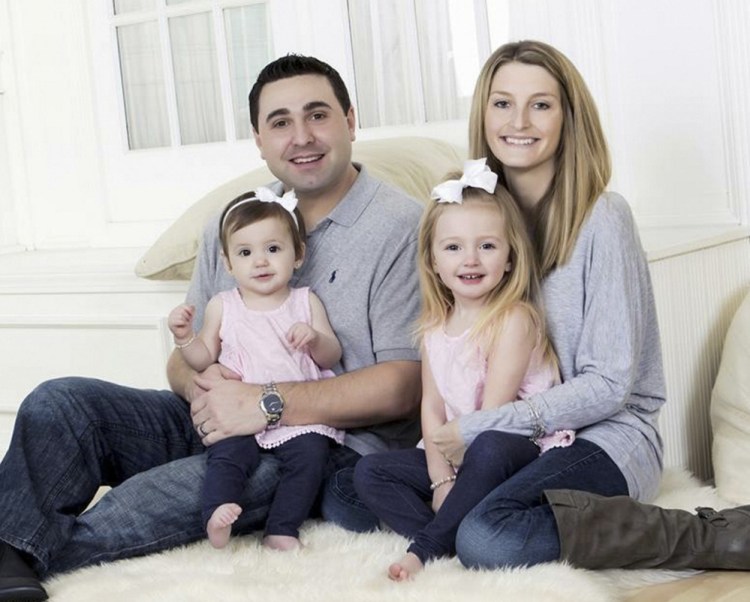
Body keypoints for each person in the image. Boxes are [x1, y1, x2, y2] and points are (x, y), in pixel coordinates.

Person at [0, 54, 422, 600]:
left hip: (316, 447)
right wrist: (208, 389)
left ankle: (20, 551)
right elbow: (186, 358)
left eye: (318, 115)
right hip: (218, 422)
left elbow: (402, 386)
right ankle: (9, 541)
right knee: (59, 403)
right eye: (280, 122)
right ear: (259, 139)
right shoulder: (236, 221)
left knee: (145, 502)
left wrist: (263, 402)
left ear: (350, 120)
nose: (301, 136)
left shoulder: (402, 227)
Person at [431, 39, 750, 572]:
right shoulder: (474, 221)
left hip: (608, 435)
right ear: (483, 114)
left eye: (541, 104)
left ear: (567, 118)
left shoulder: (603, 218)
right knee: (352, 495)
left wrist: (486, 425)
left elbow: (610, 384)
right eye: (502, 102)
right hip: (512, 442)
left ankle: (713, 535)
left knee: (488, 539)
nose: (520, 121)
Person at [354, 159, 573, 580]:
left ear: (510, 257)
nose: (470, 260)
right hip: (454, 451)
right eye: (453, 247)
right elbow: (432, 411)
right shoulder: (434, 328)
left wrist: (456, 475)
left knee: (489, 443)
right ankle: (449, 538)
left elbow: (493, 414)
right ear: (433, 261)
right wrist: (440, 481)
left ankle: (426, 548)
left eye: (487, 246)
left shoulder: (515, 319)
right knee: (370, 470)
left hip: (513, 448)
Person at [168, 190, 345, 550]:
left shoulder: (304, 301)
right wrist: (185, 337)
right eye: (245, 253)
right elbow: (204, 359)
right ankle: (216, 515)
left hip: (297, 417)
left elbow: (331, 356)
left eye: (273, 249)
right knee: (227, 457)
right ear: (228, 263)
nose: (260, 262)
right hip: (237, 414)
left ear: (298, 255)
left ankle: (282, 529)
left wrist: (313, 338)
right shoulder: (223, 306)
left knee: (311, 460)